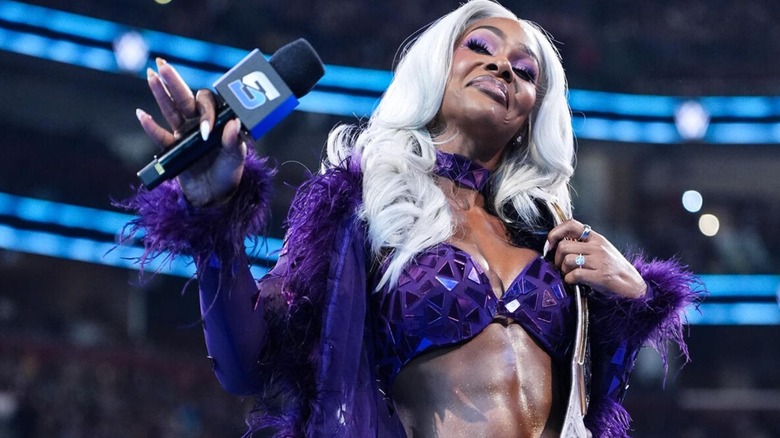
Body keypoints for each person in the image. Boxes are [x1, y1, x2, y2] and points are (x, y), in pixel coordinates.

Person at [121, 0, 700, 436]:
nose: (503, 66)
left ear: (531, 116)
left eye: (526, 72)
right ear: (434, 69)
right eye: (480, 46)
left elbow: (592, 404)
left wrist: (634, 300)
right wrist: (213, 216)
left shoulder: (548, 235)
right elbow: (248, 365)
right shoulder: (361, 206)